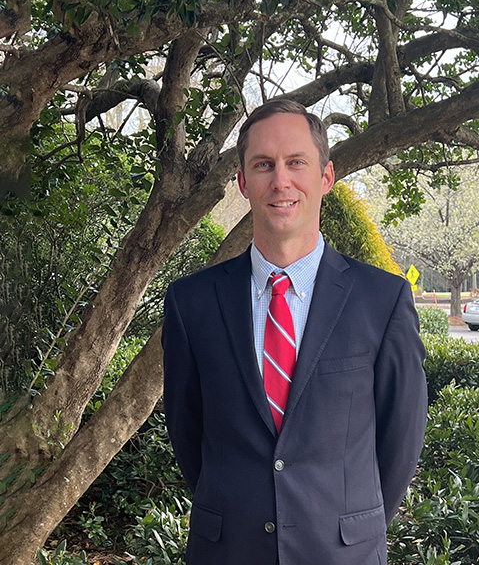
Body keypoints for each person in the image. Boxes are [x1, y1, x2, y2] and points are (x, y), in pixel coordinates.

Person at [162, 99, 428, 565]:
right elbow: (188, 433)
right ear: (242, 181)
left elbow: (401, 439)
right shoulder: (192, 303)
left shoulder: (382, 300)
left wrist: (352, 527)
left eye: (296, 163)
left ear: (326, 177)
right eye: (263, 164)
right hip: (227, 552)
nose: (280, 181)